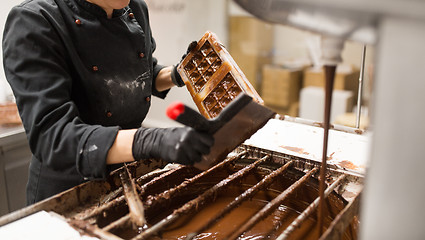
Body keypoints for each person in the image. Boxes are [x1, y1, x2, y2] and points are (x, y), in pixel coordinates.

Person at [2, 0, 214, 205]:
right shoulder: (34, 20)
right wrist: (149, 141)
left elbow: (136, 77)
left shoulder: (135, 7)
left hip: (128, 177)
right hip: (70, 190)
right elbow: (53, 137)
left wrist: (178, 74)